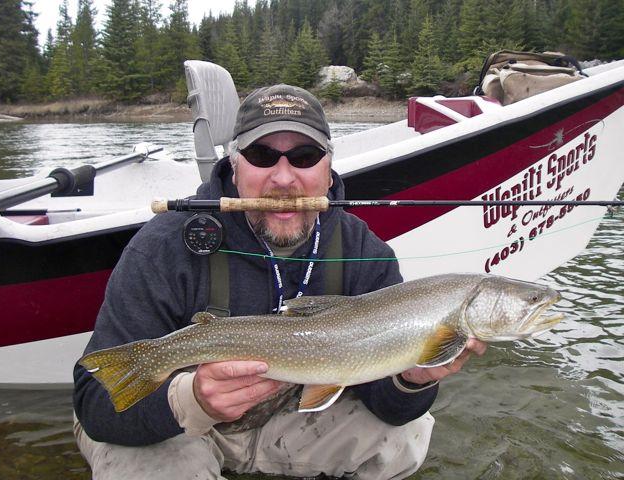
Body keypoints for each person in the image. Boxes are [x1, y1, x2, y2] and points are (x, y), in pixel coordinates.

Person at [73, 84, 486, 480]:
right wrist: (193, 400)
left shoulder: (364, 251)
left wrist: (411, 379)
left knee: (408, 438)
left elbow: (389, 410)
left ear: (328, 169)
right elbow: (97, 406)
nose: (284, 178)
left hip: (284, 421)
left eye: (305, 156)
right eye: (262, 155)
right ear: (234, 166)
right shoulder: (165, 244)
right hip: (183, 426)